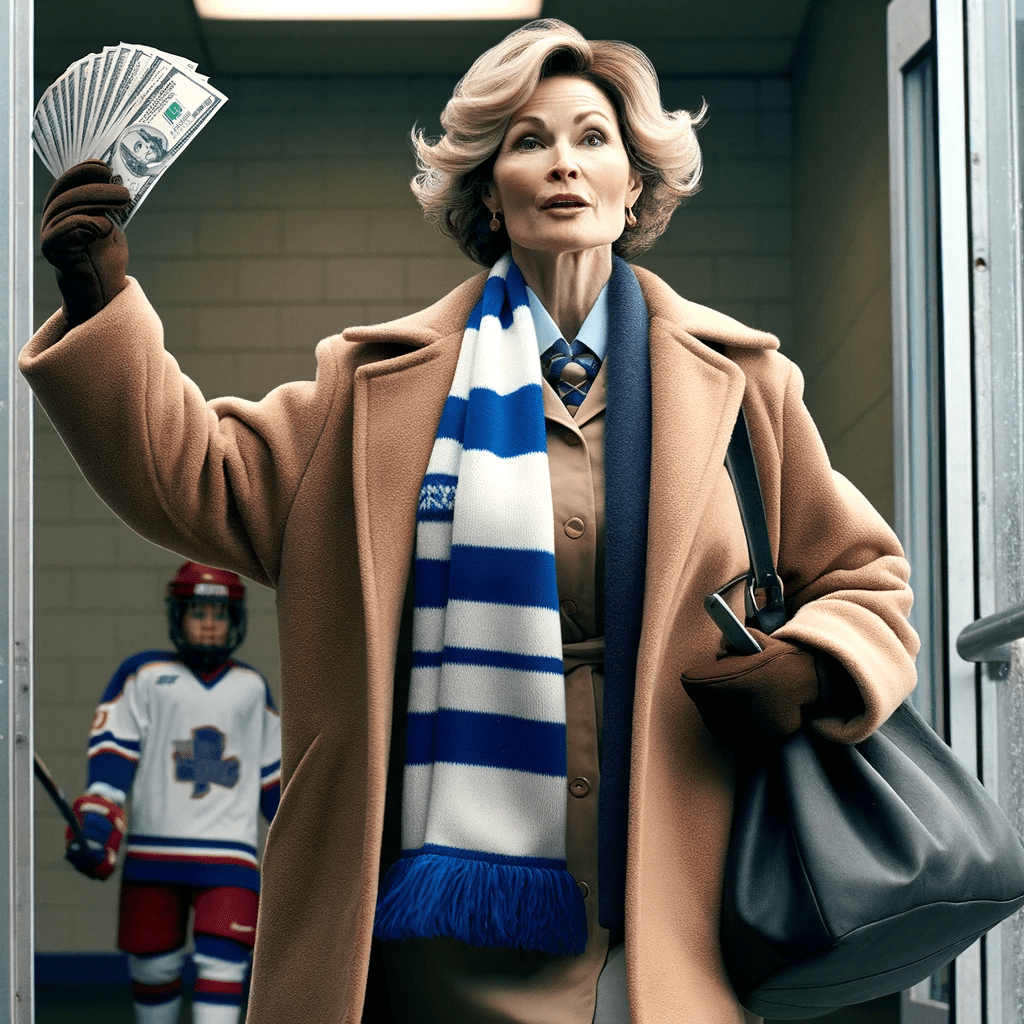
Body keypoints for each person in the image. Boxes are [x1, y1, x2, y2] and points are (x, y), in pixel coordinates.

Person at [23, 18, 918, 1024]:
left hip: (685, 914)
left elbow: (865, 580)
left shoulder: (744, 383)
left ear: (635, 185)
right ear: (489, 190)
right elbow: (189, 476)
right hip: (443, 942)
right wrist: (100, 301)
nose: (564, 164)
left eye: (593, 138)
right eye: (528, 141)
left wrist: (811, 665)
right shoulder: (372, 392)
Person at [65, 562, 281, 1024]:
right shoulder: (142, 675)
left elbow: (275, 785)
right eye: (198, 611)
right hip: (153, 856)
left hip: (232, 862)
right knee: (153, 968)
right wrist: (100, 816)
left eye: (218, 613)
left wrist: (306, 847)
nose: (208, 623)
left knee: (225, 967)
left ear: (235, 620)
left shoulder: (252, 688)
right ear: (178, 616)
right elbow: (112, 756)